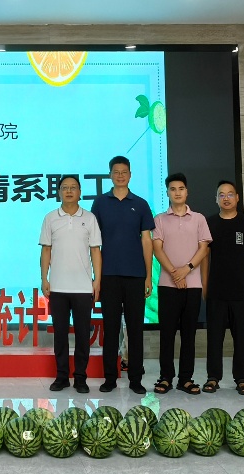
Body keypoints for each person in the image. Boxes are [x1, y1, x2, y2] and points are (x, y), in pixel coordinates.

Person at [90, 156, 154, 394]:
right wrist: (97, 277)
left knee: (135, 329)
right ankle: (110, 378)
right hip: (109, 275)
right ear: (110, 175)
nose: (120, 175)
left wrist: (148, 275)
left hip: (136, 275)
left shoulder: (141, 204)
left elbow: (146, 241)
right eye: (116, 172)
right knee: (111, 328)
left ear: (130, 175)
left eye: (124, 172)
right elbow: (94, 243)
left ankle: (136, 379)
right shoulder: (100, 203)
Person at [39, 176, 102, 393]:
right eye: (64, 188)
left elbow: (95, 250)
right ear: (59, 192)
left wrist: (97, 280)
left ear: (80, 192)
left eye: (73, 187)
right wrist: (44, 278)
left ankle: (81, 378)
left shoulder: (90, 218)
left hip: (83, 287)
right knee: (60, 334)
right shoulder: (50, 218)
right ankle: (62, 376)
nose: (68, 191)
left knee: (83, 335)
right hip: (58, 286)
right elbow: (46, 250)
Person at [150, 173, 211, 395]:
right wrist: (175, 273)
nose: (177, 192)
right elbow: (157, 249)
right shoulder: (159, 219)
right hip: (168, 285)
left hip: (193, 285)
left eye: (181, 188)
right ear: (167, 192)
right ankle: (165, 377)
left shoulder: (199, 219)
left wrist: (187, 269)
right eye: (173, 189)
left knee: (188, 334)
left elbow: (204, 248)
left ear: (187, 192)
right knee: (167, 334)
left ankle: (186, 378)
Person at [201, 180, 244, 396]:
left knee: (241, 337)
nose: (226, 198)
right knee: (214, 337)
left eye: (230, 194)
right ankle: (213, 377)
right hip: (216, 290)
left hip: (241, 291)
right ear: (216, 199)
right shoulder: (209, 223)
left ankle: (242, 378)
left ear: (237, 198)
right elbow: (204, 257)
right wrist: (205, 285)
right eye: (221, 194)